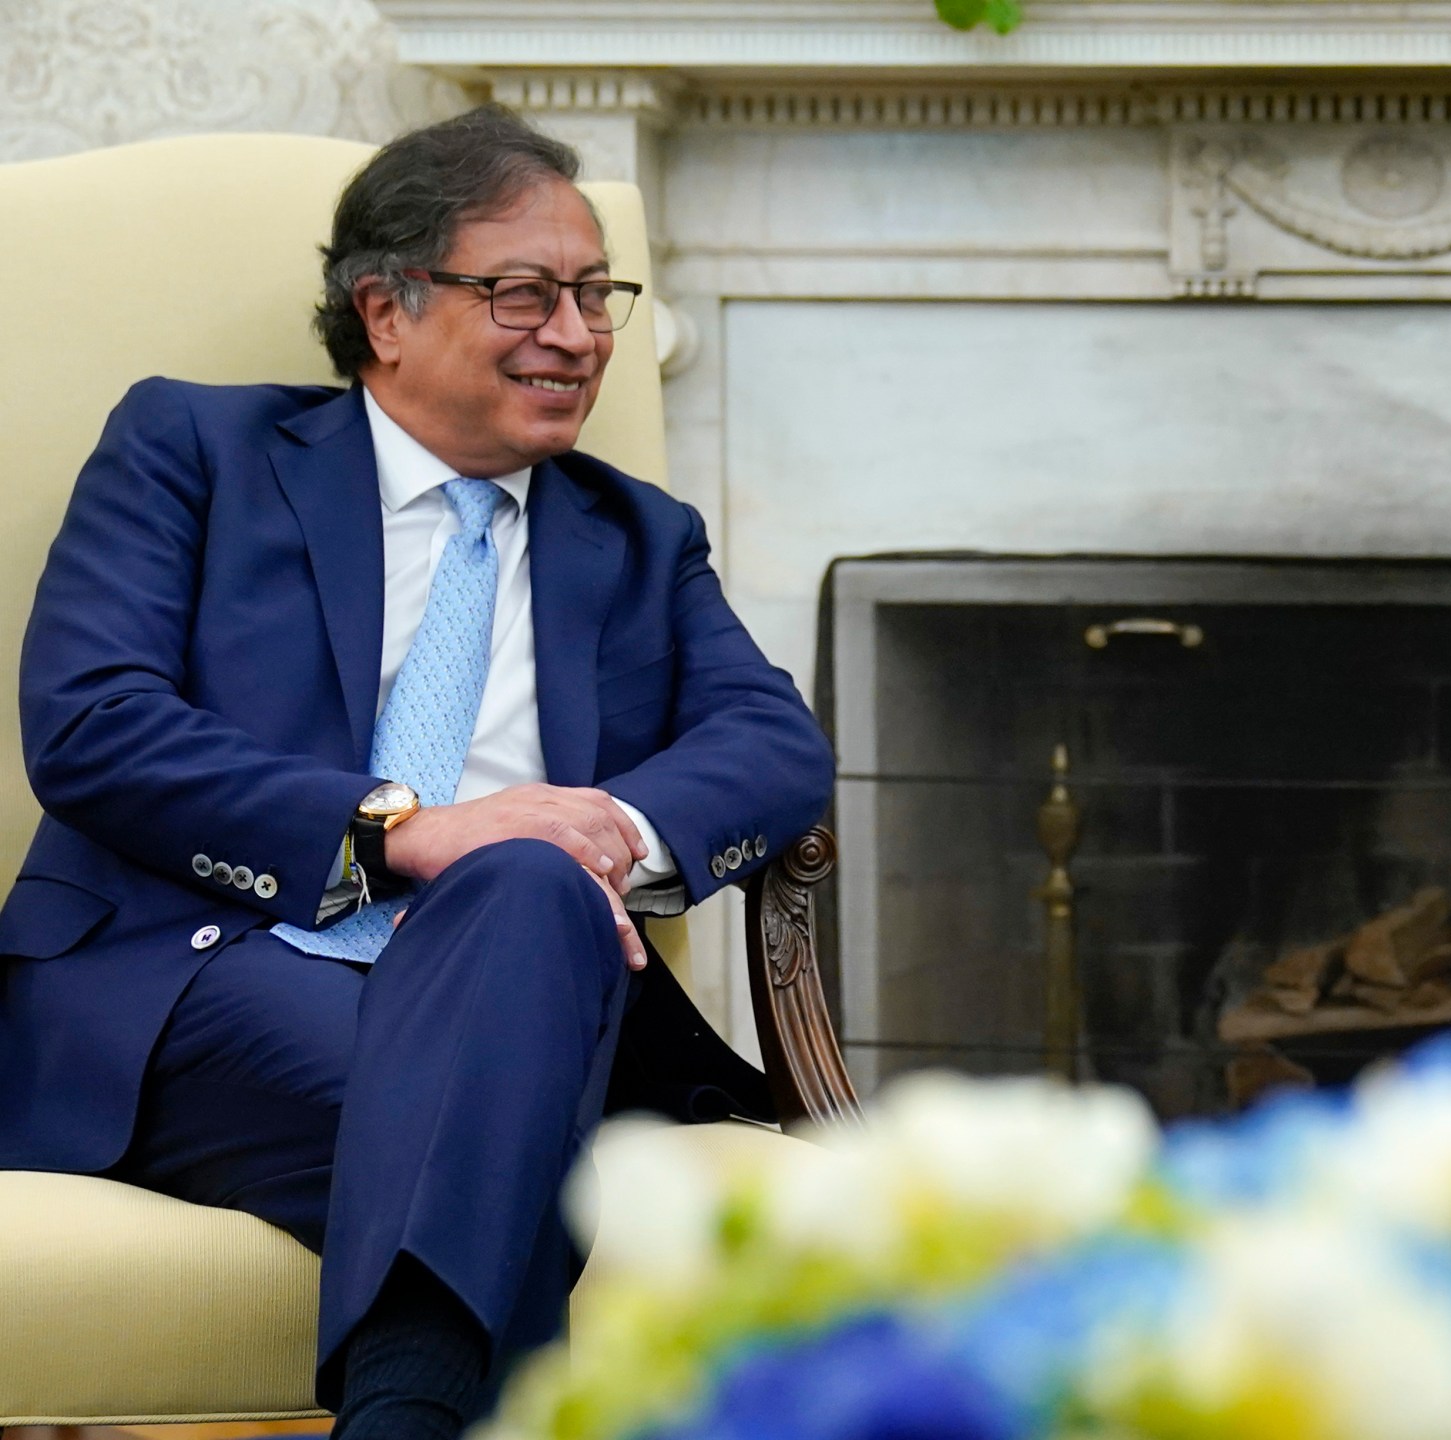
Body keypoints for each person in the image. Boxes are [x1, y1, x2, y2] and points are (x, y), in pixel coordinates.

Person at [0, 106, 833, 1439]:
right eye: (523, 292)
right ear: (386, 310)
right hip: (206, 978)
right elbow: (95, 722)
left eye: (595, 293)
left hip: (525, 981)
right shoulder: (195, 453)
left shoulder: (635, 537)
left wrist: (596, 832)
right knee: (504, 1131)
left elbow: (775, 746)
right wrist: (402, 832)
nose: (578, 333)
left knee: (524, 893)